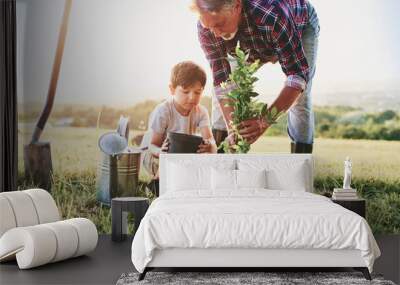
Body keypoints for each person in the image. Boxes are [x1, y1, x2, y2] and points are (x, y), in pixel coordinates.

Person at [192, 0, 320, 153]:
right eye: (209, 27)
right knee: (224, 91)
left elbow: (297, 76)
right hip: (252, 41)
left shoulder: (271, 14)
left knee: (301, 98)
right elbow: (222, 81)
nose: (216, 34)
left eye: (220, 24)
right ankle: (222, 156)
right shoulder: (207, 28)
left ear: (237, 6)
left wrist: (264, 121)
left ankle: (301, 162)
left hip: (298, 26)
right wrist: (234, 128)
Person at [141, 61, 217, 195]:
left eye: (197, 92)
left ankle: (183, 182)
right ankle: (156, 185)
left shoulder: (201, 111)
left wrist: (209, 146)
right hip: (155, 156)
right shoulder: (163, 111)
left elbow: (212, 144)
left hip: (181, 156)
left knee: (198, 158)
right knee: (172, 155)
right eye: (185, 91)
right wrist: (160, 152)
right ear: (172, 89)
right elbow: (152, 146)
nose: (192, 97)